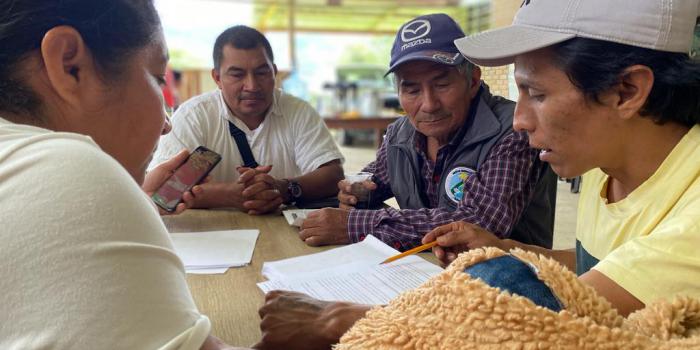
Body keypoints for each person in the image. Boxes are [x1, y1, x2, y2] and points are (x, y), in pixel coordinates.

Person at [254, 0, 700, 348]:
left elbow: (550, 325)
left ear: (626, 91)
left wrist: (338, 319)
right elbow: (599, 267)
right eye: (410, 88)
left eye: (537, 93)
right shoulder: (608, 164)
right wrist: (506, 247)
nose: (521, 120)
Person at [0, 1, 245, 349]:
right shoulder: (70, 171)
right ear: (70, 65)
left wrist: (140, 200)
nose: (166, 123)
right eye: (157, 78)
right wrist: (339, 328)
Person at [299, 13, 556, 251]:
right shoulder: (400, 134)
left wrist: (353, 225)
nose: (429, 104)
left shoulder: (513, 131)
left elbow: (476, 224)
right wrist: (356, 194)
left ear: (473, 81)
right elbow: (374, 182)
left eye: (442, 84)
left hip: (508, 284)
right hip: (424, 272)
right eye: (412, 90)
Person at [150, 25, 344, 215]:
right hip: (211, 237)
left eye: (261, 72)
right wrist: (229, 195)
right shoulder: (194, 117)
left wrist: (283, 188)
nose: (252, 85)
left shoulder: (298, 111)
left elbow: (332, 175)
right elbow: (164, 191)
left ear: (274, 73)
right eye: (237, 74)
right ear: (217, 77)